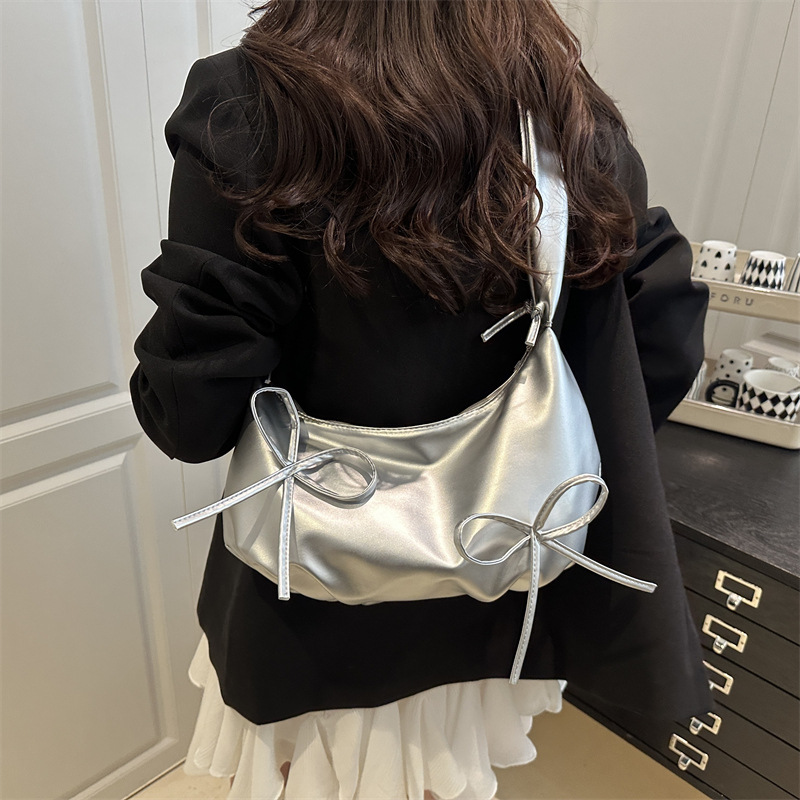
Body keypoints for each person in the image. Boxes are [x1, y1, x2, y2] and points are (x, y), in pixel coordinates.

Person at [129, 1, 714, 798]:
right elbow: (661, 336)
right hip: (496, 580)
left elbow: (191, 417)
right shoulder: (563, 116)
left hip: (308, 593)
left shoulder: (250, 104)